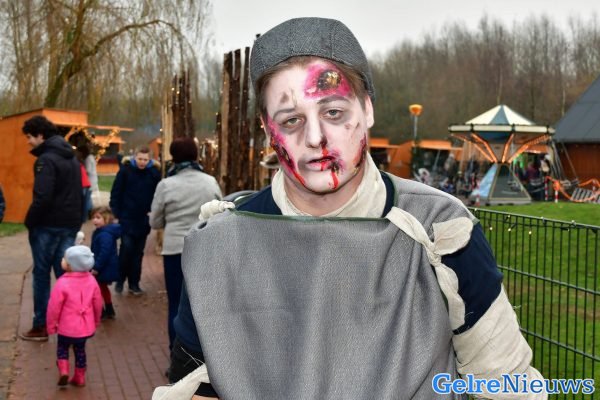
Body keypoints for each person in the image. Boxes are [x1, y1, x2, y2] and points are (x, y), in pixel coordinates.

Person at [157, 18, 544, 400]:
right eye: (291, 120)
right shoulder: (221, 245)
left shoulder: (441, 232)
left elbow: (507, 386)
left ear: (367, 108)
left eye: (333, 113)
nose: (315, 138)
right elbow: (195, 391)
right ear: (266, 128)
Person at [150, 137, 223, 353]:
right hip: (204, 248)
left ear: (173, 157)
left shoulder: (166, 185)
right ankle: (203, 353)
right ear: (196, 155)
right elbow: (221, 213)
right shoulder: (210, 182)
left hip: (175, 249)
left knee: (175, 303)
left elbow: (155, 222)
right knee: (203, 303)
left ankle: (176, 353)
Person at [20, 115, 82, 342]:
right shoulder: (71, 157)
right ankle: (73, 325)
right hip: (69, 224)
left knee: (41, 275)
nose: (28, 142)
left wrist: (30, 221)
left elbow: (43, 197)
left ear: (40, 135)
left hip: (47, 226)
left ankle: (40, 325)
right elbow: (79, 193)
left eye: (29, 137)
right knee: (67, 276)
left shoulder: (45, 160)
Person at [46, 245, 102, 387]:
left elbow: (54, 307)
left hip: (66, 327)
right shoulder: (92, 281)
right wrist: (96, 320)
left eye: (65, 259)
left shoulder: (62, 283)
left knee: (62, 348)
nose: (62, 260)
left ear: (70, 266)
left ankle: (64, 370)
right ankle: (80, 377)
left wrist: (51, 325)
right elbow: (97, 303)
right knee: (80, 351)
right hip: (84, 328)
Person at [110, 145, 160, 295]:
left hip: (143, 219)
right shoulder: (125, 171)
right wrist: (116, 213)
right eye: (140, 159)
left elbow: (158, 195)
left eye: (145, 159)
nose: (142, 162)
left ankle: (134, 283)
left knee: (138, 253)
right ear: (134, 157)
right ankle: (120, 280)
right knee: (126, 249)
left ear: (150, 160)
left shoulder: (154, 174)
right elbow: (116, 192)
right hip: (127, 217)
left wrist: (153, 211)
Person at [90, 206, 121, 319]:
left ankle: (101, 311)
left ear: (107, 219)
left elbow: (104, 252)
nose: (95, 220)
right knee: (102, 287)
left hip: (102, 267)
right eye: (93, 217)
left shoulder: (104, 234)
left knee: (96, 289)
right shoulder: (102, 232)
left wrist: (96, 267)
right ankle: (109, 309)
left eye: (98, 218)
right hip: (104, 266)